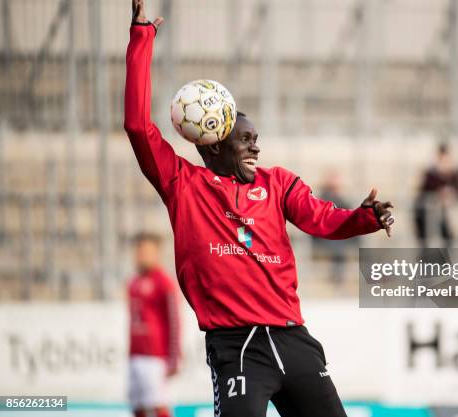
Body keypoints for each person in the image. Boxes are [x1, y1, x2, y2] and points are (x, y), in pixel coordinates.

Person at [124, 2, 394, 416]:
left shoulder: (278, 182)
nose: (256, 146)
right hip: (237, 347)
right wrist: (142, 39)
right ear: (214, 144)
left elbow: (320, 218)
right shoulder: (183, 184)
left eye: (256, 138)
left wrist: (364, 218)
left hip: (294, 341)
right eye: (246, 138)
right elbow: (138, 127)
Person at [127, 232, 181, 417]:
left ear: (156, 253)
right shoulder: (133, 283)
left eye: (146, 251)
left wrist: (174, 357)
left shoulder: (164, 282)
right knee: (138, 406)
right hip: (135, 355)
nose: (141, 255)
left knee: (158, 406)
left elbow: (175, 321)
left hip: (155, 357)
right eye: (139, 251)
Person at [414, 143, 458, 248]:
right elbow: (423, 192)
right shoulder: (431, 173)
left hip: (447, 214)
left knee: (448, 241)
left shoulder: (454, 173)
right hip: (429, 213)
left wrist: (451, 194)